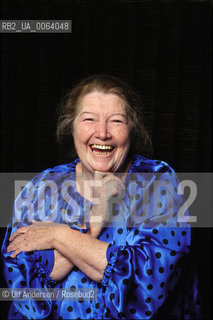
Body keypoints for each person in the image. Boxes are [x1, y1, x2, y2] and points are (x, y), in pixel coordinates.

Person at [1, 74, 200, 319]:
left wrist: (58, 234)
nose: (102, 133)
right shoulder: (42, 186)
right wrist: (92, 226)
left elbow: (145, 287)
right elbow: (25, 290)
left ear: (132, 128)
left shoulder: (157, 181)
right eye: (89, 119)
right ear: (71, 126)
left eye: (116, 121)